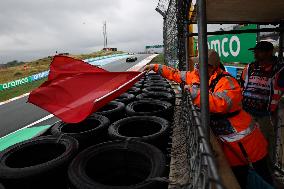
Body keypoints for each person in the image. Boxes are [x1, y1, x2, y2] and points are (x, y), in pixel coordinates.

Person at [145, 50, 273, 188]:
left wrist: (195, 94)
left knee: (261, 178)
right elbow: (175, 74)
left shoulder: (228, 82)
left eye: (203, 65)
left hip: (247, 144)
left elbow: (221, 103)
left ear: (212, 67)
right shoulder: (195, 76)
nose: (198, 68)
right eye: (198, 65)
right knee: (240, 176)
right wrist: (156, 67)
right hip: (227, 143)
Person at [240, 41, 284, 163]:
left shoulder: (279, 70)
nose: (256, 54)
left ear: (270, 52)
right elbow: (243, 84)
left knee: (264, 146)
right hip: (248, 112)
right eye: (255, 51)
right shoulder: (249, 68)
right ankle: (250, 167)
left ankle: (266, 171)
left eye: (260, 51)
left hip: (266, 115)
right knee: (248, 142)